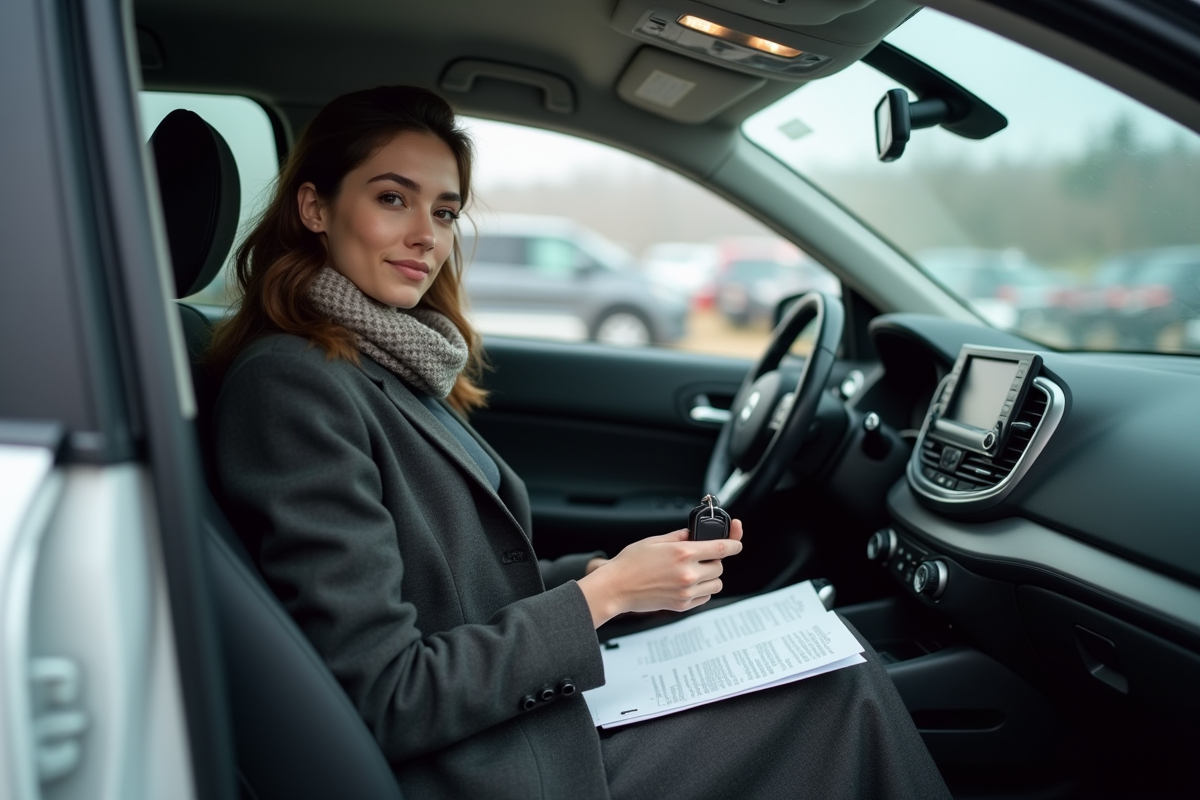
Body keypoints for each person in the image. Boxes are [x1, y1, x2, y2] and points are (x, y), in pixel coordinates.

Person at [210, 85, 950, 800]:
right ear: (315, 206)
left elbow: (459, 589)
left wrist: (607, 574)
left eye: (444, 210)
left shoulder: (387, 360)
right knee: (839, 690)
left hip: (502, 720)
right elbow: (388, 695)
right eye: (392, 198)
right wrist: (605, 597)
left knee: (818, 653)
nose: (425, 236)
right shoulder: (291, 384)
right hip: (474, 767)